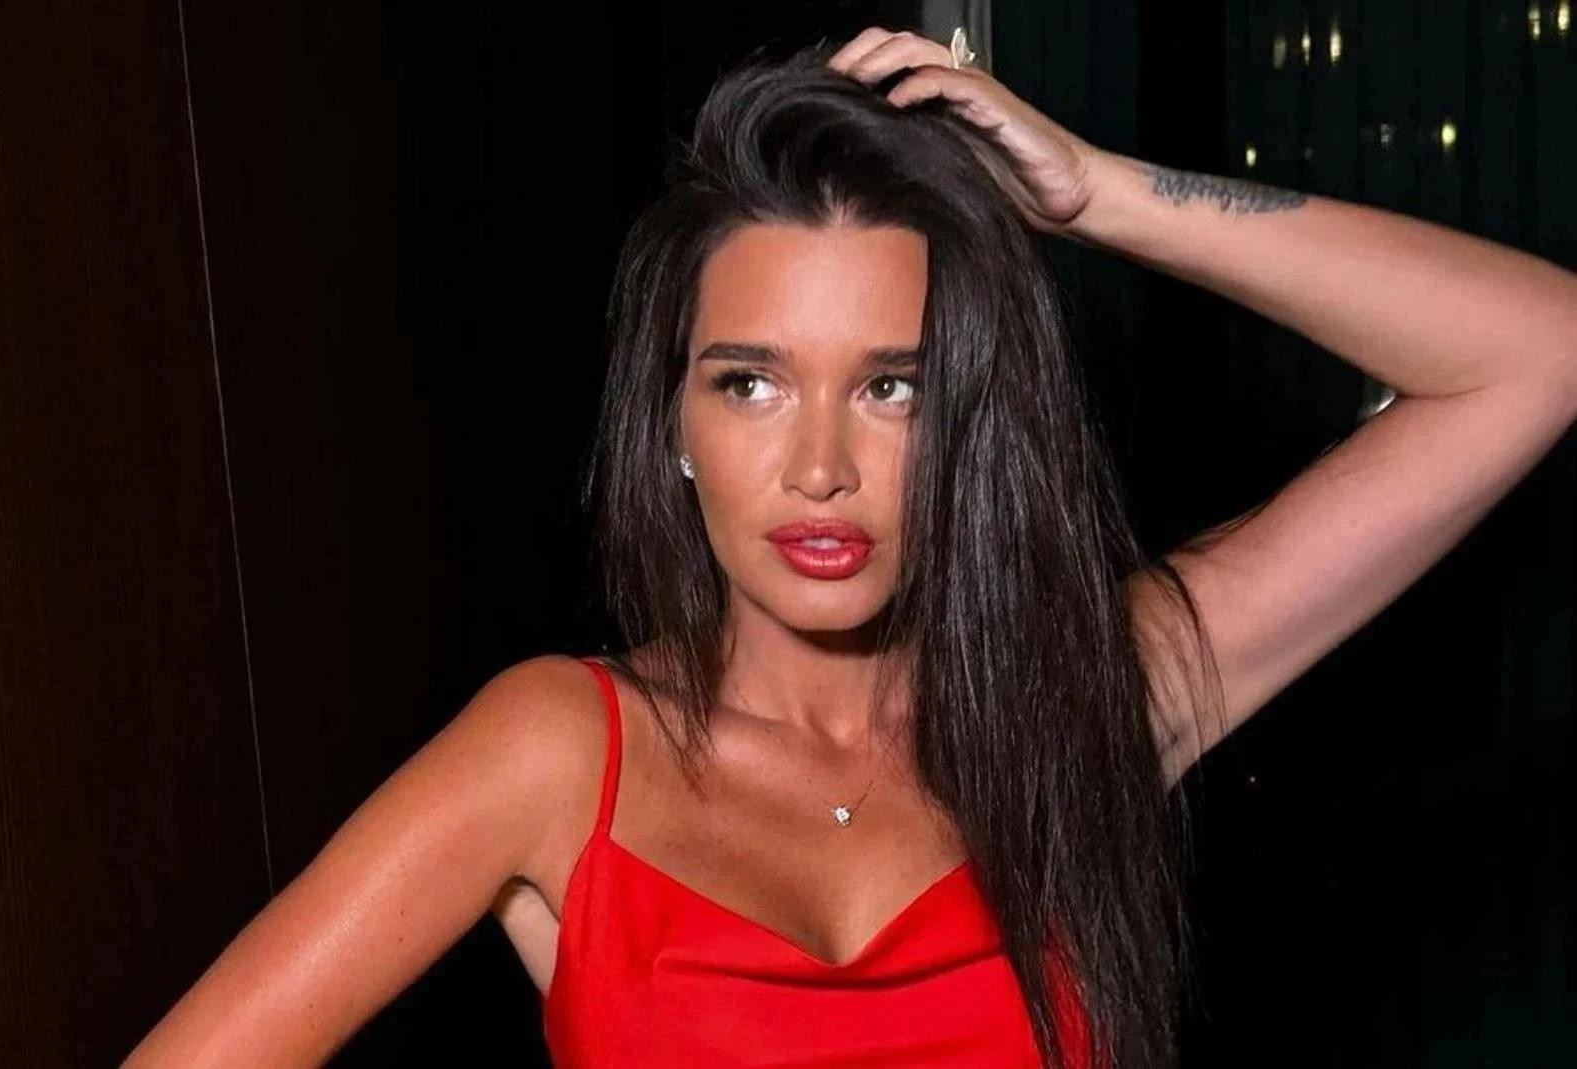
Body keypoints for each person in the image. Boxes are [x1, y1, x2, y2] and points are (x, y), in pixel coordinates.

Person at [125, 25, 1577, 1069]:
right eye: (750, 383)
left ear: (971, 423)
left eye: (895, 388)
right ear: (674, 421)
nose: (820, 467)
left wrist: (1100, 198)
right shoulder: (561, 751)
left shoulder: (1085, 700)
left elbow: (1538, 350)